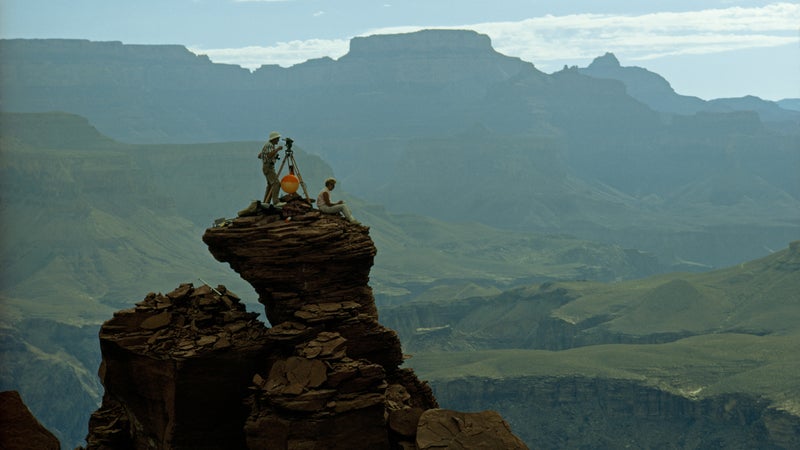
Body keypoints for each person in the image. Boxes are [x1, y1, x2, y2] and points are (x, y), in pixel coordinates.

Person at [259, 131, 283, 204]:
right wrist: (277, 150)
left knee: (270, 185)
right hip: (269, 167)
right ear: (274, 139)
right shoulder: (269, 145)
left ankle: (266, 202)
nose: (278, 140)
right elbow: (269, 155)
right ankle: (276, 202)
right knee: (276, 183)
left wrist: (266, 156)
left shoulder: (268, 145)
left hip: (266, 167)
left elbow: (259, 155)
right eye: (277, 139)